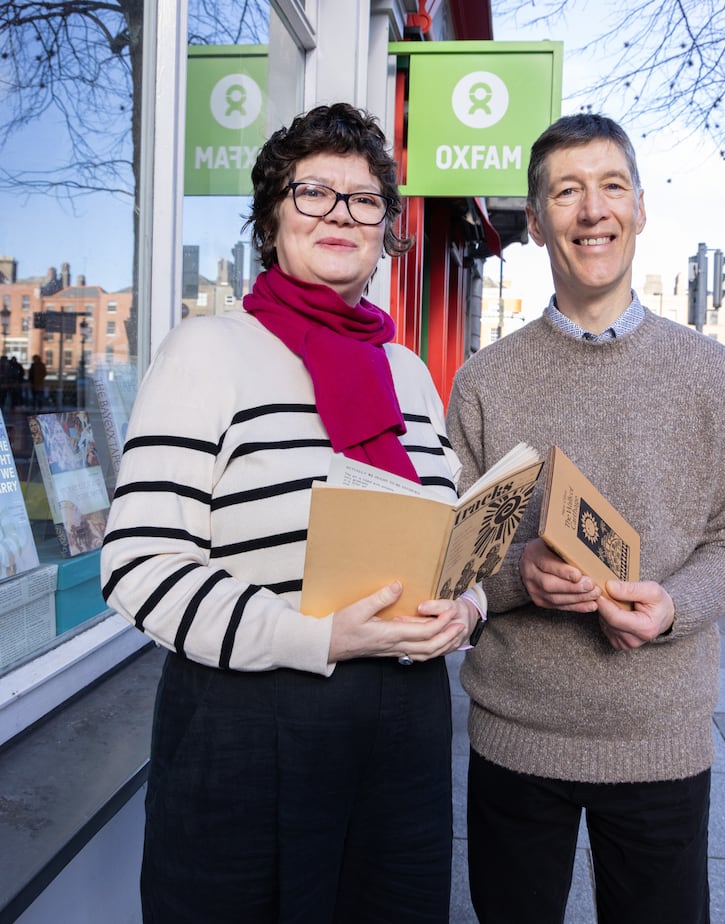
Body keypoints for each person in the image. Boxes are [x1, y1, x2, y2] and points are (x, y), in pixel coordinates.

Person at [100, 103, 485, 923]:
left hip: (406, 731)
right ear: (273, 219)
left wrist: (470, 604)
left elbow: (446, 534)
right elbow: (139, 563)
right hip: (251, 723)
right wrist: (319, 637)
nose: (342, 213)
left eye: (365, 198)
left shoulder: (410, 371)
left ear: (387, 232)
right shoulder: (208, 349)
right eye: (314, 192)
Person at [445, 113, 725, 924]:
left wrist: (672, 606)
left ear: (642, 208)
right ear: (539, 216)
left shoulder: (716, 378)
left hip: (659, 734)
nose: (593, 210)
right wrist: (521, 575)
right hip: (516, 735)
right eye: (567, 191)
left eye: (611, 186)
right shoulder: (484, 381)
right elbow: (457, 556)